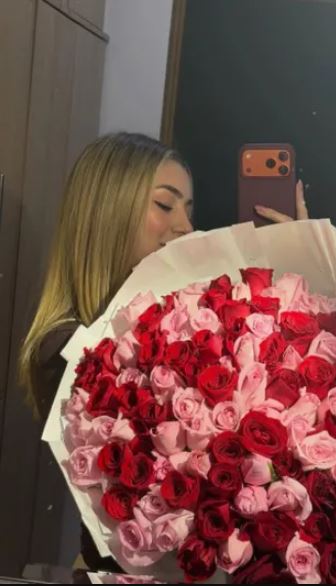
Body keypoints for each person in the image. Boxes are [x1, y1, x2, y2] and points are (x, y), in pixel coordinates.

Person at [17, 132, 307, 570]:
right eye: (164, 205)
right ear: (108, 213)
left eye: (188, 209)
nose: (185, 227)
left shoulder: (182, 321)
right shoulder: (64, 346)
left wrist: (293, 272)